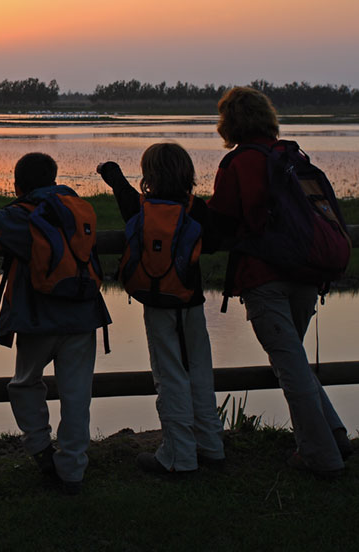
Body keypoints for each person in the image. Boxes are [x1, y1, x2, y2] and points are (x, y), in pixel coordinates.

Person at [207, 86, 351, 479]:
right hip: (306, 275)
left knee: (290, 367)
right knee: (293, 362)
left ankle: (320, 455)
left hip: (265, 278)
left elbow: (221, 220)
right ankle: (335, 434)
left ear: (230, 122)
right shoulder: (289, 155)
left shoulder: (240, 162)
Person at [0, 152, 111, 495]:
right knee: (77, 395)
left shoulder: (21, 217)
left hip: (38, 317)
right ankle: (72, 471)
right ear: (54, 178)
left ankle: (41, 450)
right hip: (83, 314)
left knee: (25, 384)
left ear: (18, 184)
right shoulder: (79, 207)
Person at [97, 143, 226, 475]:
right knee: (199, 373)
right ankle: (210, 446)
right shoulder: (195, 209)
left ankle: (178, 456)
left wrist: (112, 175)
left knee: (169, 377)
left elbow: (126, 198)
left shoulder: (142, 207)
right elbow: (212, 242)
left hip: (157, 305)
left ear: (149, 175)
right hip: (191, 302)